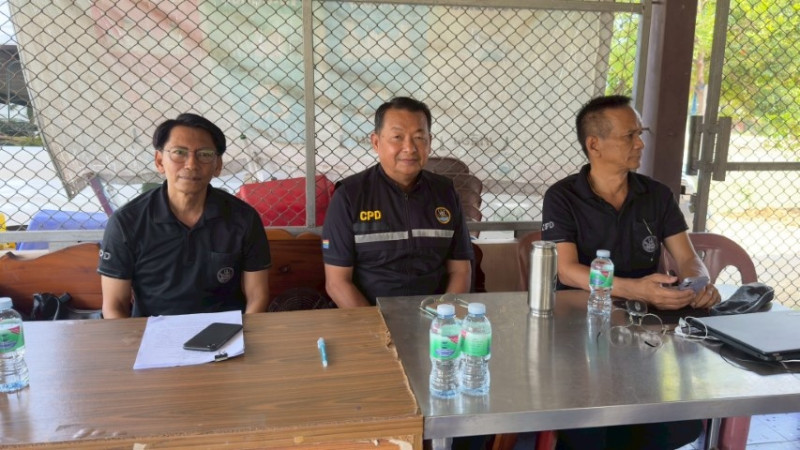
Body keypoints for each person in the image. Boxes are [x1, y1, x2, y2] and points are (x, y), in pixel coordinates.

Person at [541, 95, 719, 449]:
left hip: (646, 330)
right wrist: (635, 289)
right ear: (594, 145)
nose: (640, 144)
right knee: (589, 433)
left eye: (641, 133)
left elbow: (688, 258)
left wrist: (697, 283)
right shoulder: (563, 196)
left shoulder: (656, 195)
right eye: (629, 136)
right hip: (581, 329)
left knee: (672, 427)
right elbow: (568, 271)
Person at [98, 113, 271, 318]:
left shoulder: (244, 218)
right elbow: (114, 305)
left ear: (217, 165)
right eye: (179, 153)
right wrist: (133, 339)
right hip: (152, 332)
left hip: (226, 331)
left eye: (204, 154)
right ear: (160, 161)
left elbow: (257, 296)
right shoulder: (126, 222)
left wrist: (243, 334)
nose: (191, 164)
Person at [321, 96, 474, 307]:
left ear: (429, 142)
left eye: (419, 138)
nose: (409, 148)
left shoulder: (445, 193)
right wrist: (378, 323)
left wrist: (442, 316)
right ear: (376, 142)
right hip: (370, 315)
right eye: (397, 137)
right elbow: (337, 283)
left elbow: (460, 270)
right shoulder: (349, 196)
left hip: (435, 316)